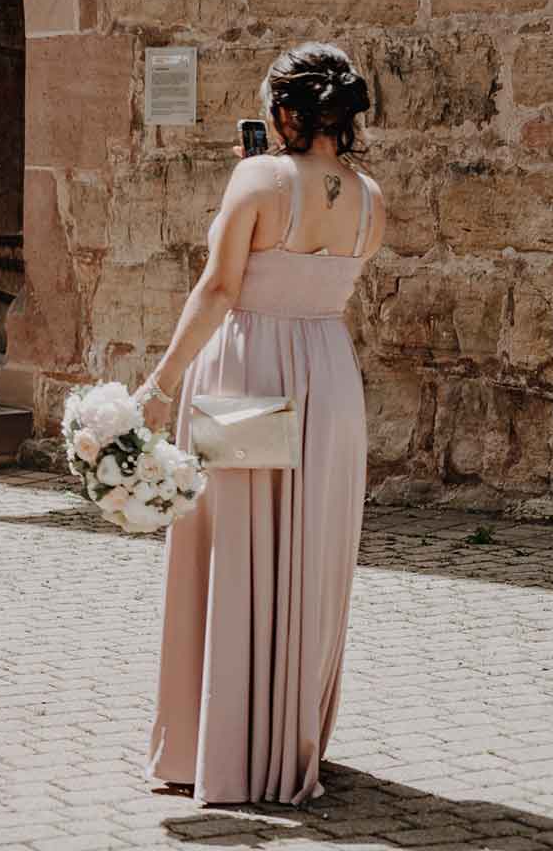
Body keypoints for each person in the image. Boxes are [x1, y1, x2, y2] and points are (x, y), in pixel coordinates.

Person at [139, 43, 385, 806]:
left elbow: (218, 290)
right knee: (309, 552)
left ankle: (231, 745)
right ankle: (290, 738)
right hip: (332, 384)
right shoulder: (371, 197)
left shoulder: (256, 178)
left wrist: (157, 383)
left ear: (285, 110)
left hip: (251, 370)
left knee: (238, 548)